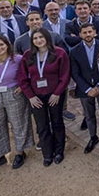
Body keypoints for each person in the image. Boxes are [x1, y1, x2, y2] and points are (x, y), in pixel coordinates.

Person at [0, 35, 32, 174]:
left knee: (19, 124)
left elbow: (29, 74)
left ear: (7, 45)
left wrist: (23, 86)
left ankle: (20, 152)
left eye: (1, 44)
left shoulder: (18, 59)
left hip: (13, 94)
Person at [18, 28, 70, 166]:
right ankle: (47, 153)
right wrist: (30, 96)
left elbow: (65, 76)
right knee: (42, 125)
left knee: (57, 122)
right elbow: (22, 78)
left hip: (55, 95)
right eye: (35, 38)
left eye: (41, 37)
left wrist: (57, 93)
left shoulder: (59, 53)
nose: (38, 40)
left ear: (47, 38)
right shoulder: (28, 55)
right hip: (36, 97)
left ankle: (59, 151)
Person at [70, 22, 99, 154]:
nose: (87, 34)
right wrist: (88, 89)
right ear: (80, 35)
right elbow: (75, 73)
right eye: (84, 32)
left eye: (90, 32)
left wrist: (98, 86)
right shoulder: (74, 51)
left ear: (95, 33)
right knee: (89, 115)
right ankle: (93, 137)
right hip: (84, 89)